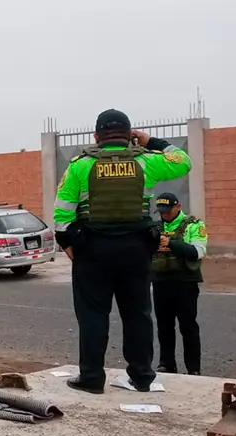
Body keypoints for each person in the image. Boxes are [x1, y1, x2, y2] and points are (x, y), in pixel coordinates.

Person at [53, 109, 192, 394]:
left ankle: (91, 378)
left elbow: (61, 215)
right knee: (138, 314)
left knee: (93, 316)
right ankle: (141, 377)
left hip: (92, 251)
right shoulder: (145, 161)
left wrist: (70, 248)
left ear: (96, 136)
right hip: (136, 250)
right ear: (130, 135)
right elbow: (183, 161)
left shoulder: (79, 166)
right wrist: (150, 140)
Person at [151, 192, 207, 376]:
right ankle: (166, 364)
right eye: (161, 211)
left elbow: (197, 252)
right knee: (164, 325)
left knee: (188, 325)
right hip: (161, 281)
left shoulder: (194, 225)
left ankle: (194, 368)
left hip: (185, 282)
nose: (164, 215)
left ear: (178, 206)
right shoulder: (156, 226)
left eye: (168, 211)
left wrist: (171, 243)